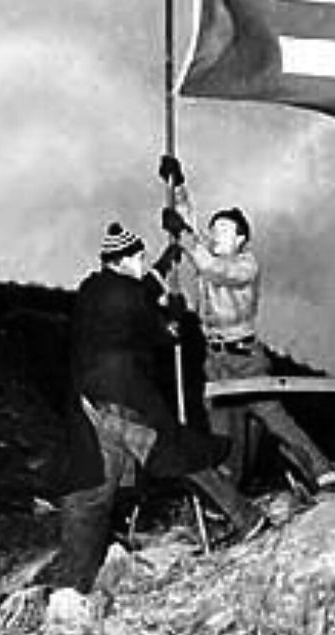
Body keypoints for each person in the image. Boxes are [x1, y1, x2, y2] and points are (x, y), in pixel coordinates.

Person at [40, 220, 266, 594]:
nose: (143, 261)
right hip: (124, 403)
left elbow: (140, 287)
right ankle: (248, 519)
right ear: (123, 259)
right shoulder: (124, 297)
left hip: (94, 404)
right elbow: (162, 333)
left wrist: (168, 256)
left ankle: (73, 586)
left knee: (95, 489)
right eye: (139, 256)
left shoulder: (94, 287)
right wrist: (172, 316)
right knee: (175, 459)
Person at [159, 157, 335, 495]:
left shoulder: (246, 266)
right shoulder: (209, 253)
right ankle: (229, 497)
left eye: (224, 230)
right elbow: (189, 225)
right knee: (221, 433)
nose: (215, 234)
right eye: (213, 229)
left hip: (244, 358)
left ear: (241, 238)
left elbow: (211, 268)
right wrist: (178, 184)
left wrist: (184, 237)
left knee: (272, 417)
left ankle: (324, 474)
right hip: (215, 359)